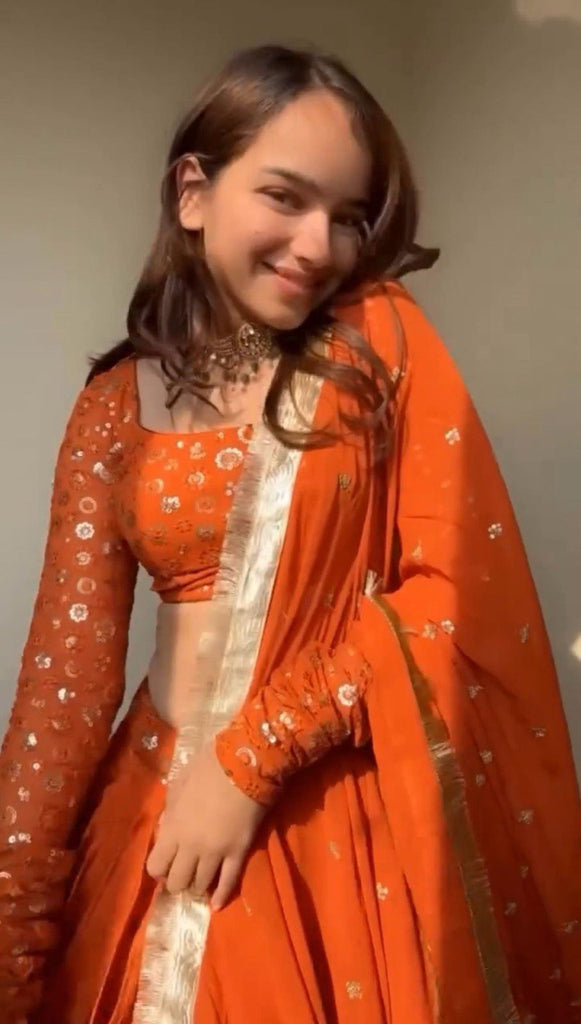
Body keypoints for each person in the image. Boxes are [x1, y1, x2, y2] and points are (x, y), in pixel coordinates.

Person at [0, 42, 579, 1024]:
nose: (319, 245)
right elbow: (67, 684)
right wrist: (14, 930)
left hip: (326, 824)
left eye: (348, 216)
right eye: (285, 196)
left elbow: (454, 598)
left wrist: (248, 758)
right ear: (194, 192)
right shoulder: (111, 406)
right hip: (145, 816)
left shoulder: (373, 356)